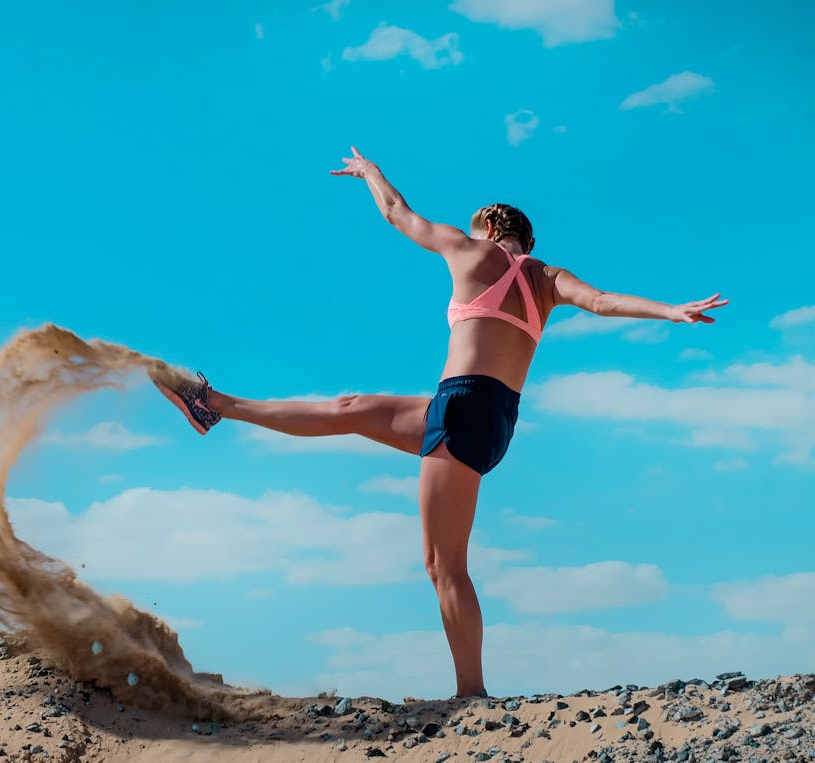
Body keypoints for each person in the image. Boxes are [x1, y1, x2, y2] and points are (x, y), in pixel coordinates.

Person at [151, 146, 727, 699]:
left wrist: (369, 171)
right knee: (351, 409)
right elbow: (602, 300)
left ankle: (470, 694)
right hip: (486, 412)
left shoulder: (471, 250)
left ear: (487, 231)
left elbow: (397, 213)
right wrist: (672, 310)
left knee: (443, 564)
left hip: (462, 404)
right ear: (528, 239)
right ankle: (215, 404)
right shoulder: (550, 279)